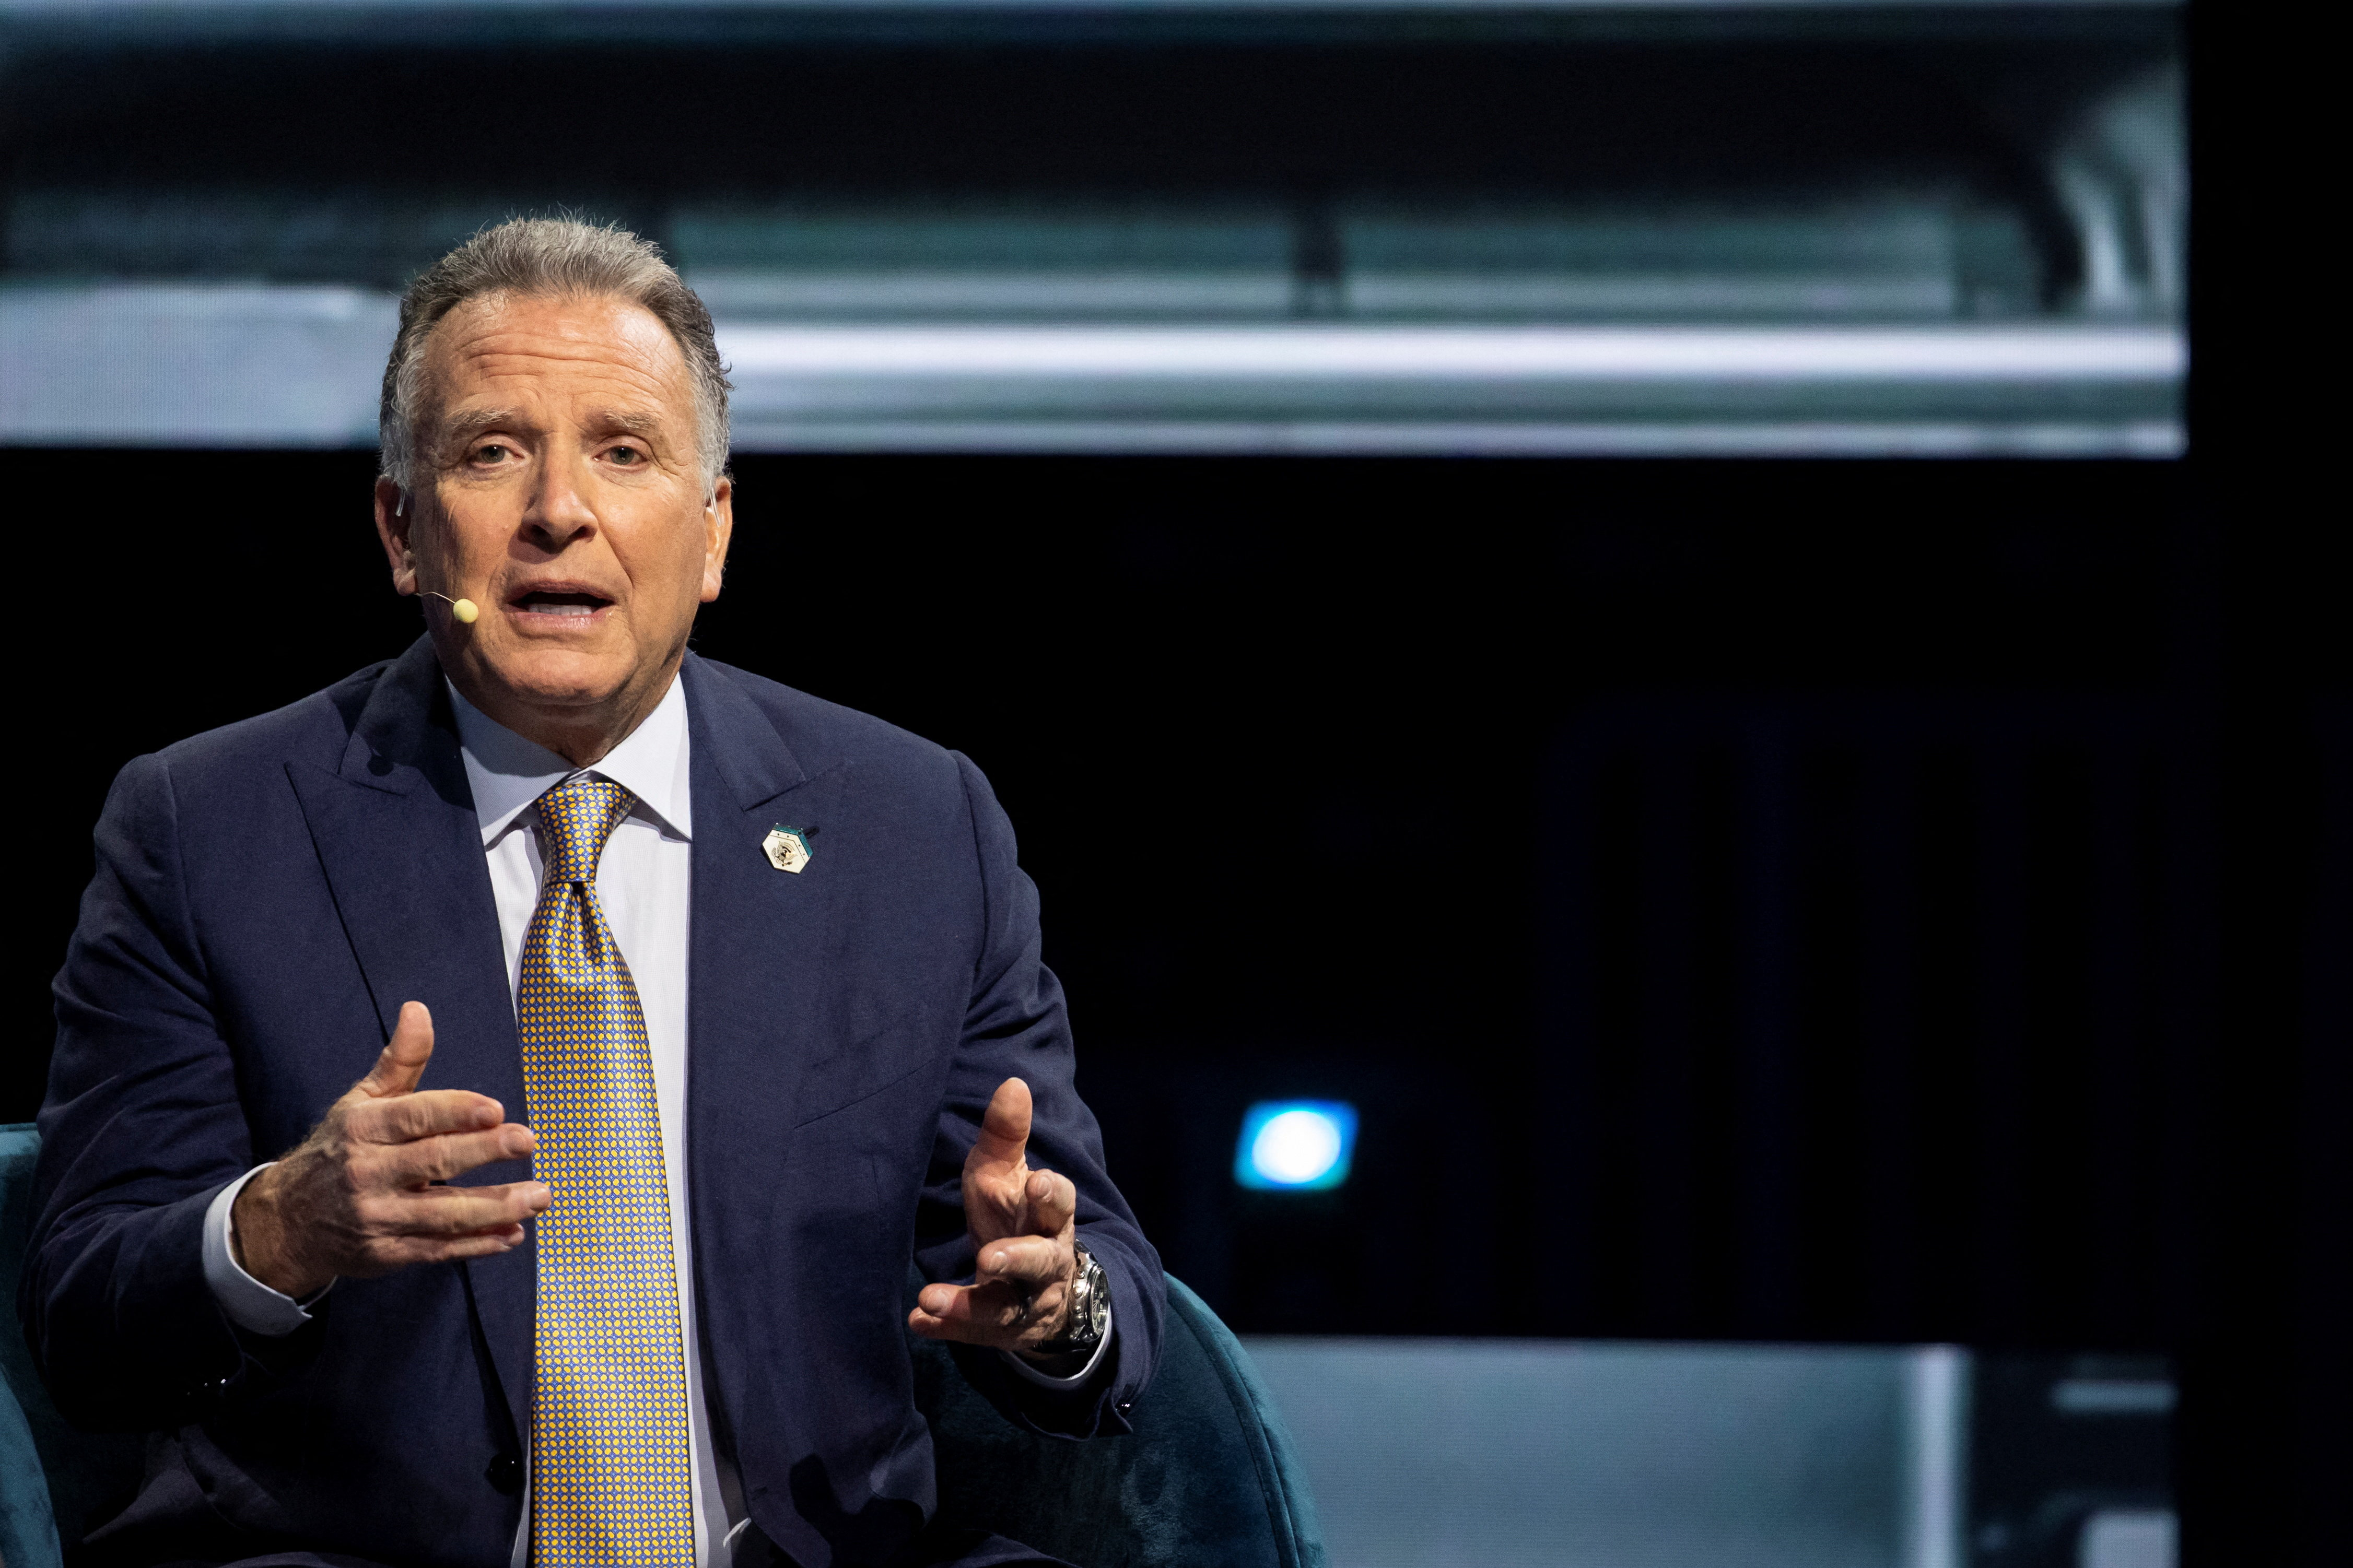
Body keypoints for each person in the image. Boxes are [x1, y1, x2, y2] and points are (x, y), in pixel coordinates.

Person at [21, 217, 1160, 1568]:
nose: (560, 507)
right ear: (401, 528)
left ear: (713, 528)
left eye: (623, 451)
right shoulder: (206, 826)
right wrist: (285, 1224)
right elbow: (85, 1314)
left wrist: (1055, 1302)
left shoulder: (914, 826)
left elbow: (1097, 1274)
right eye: (495, 450)